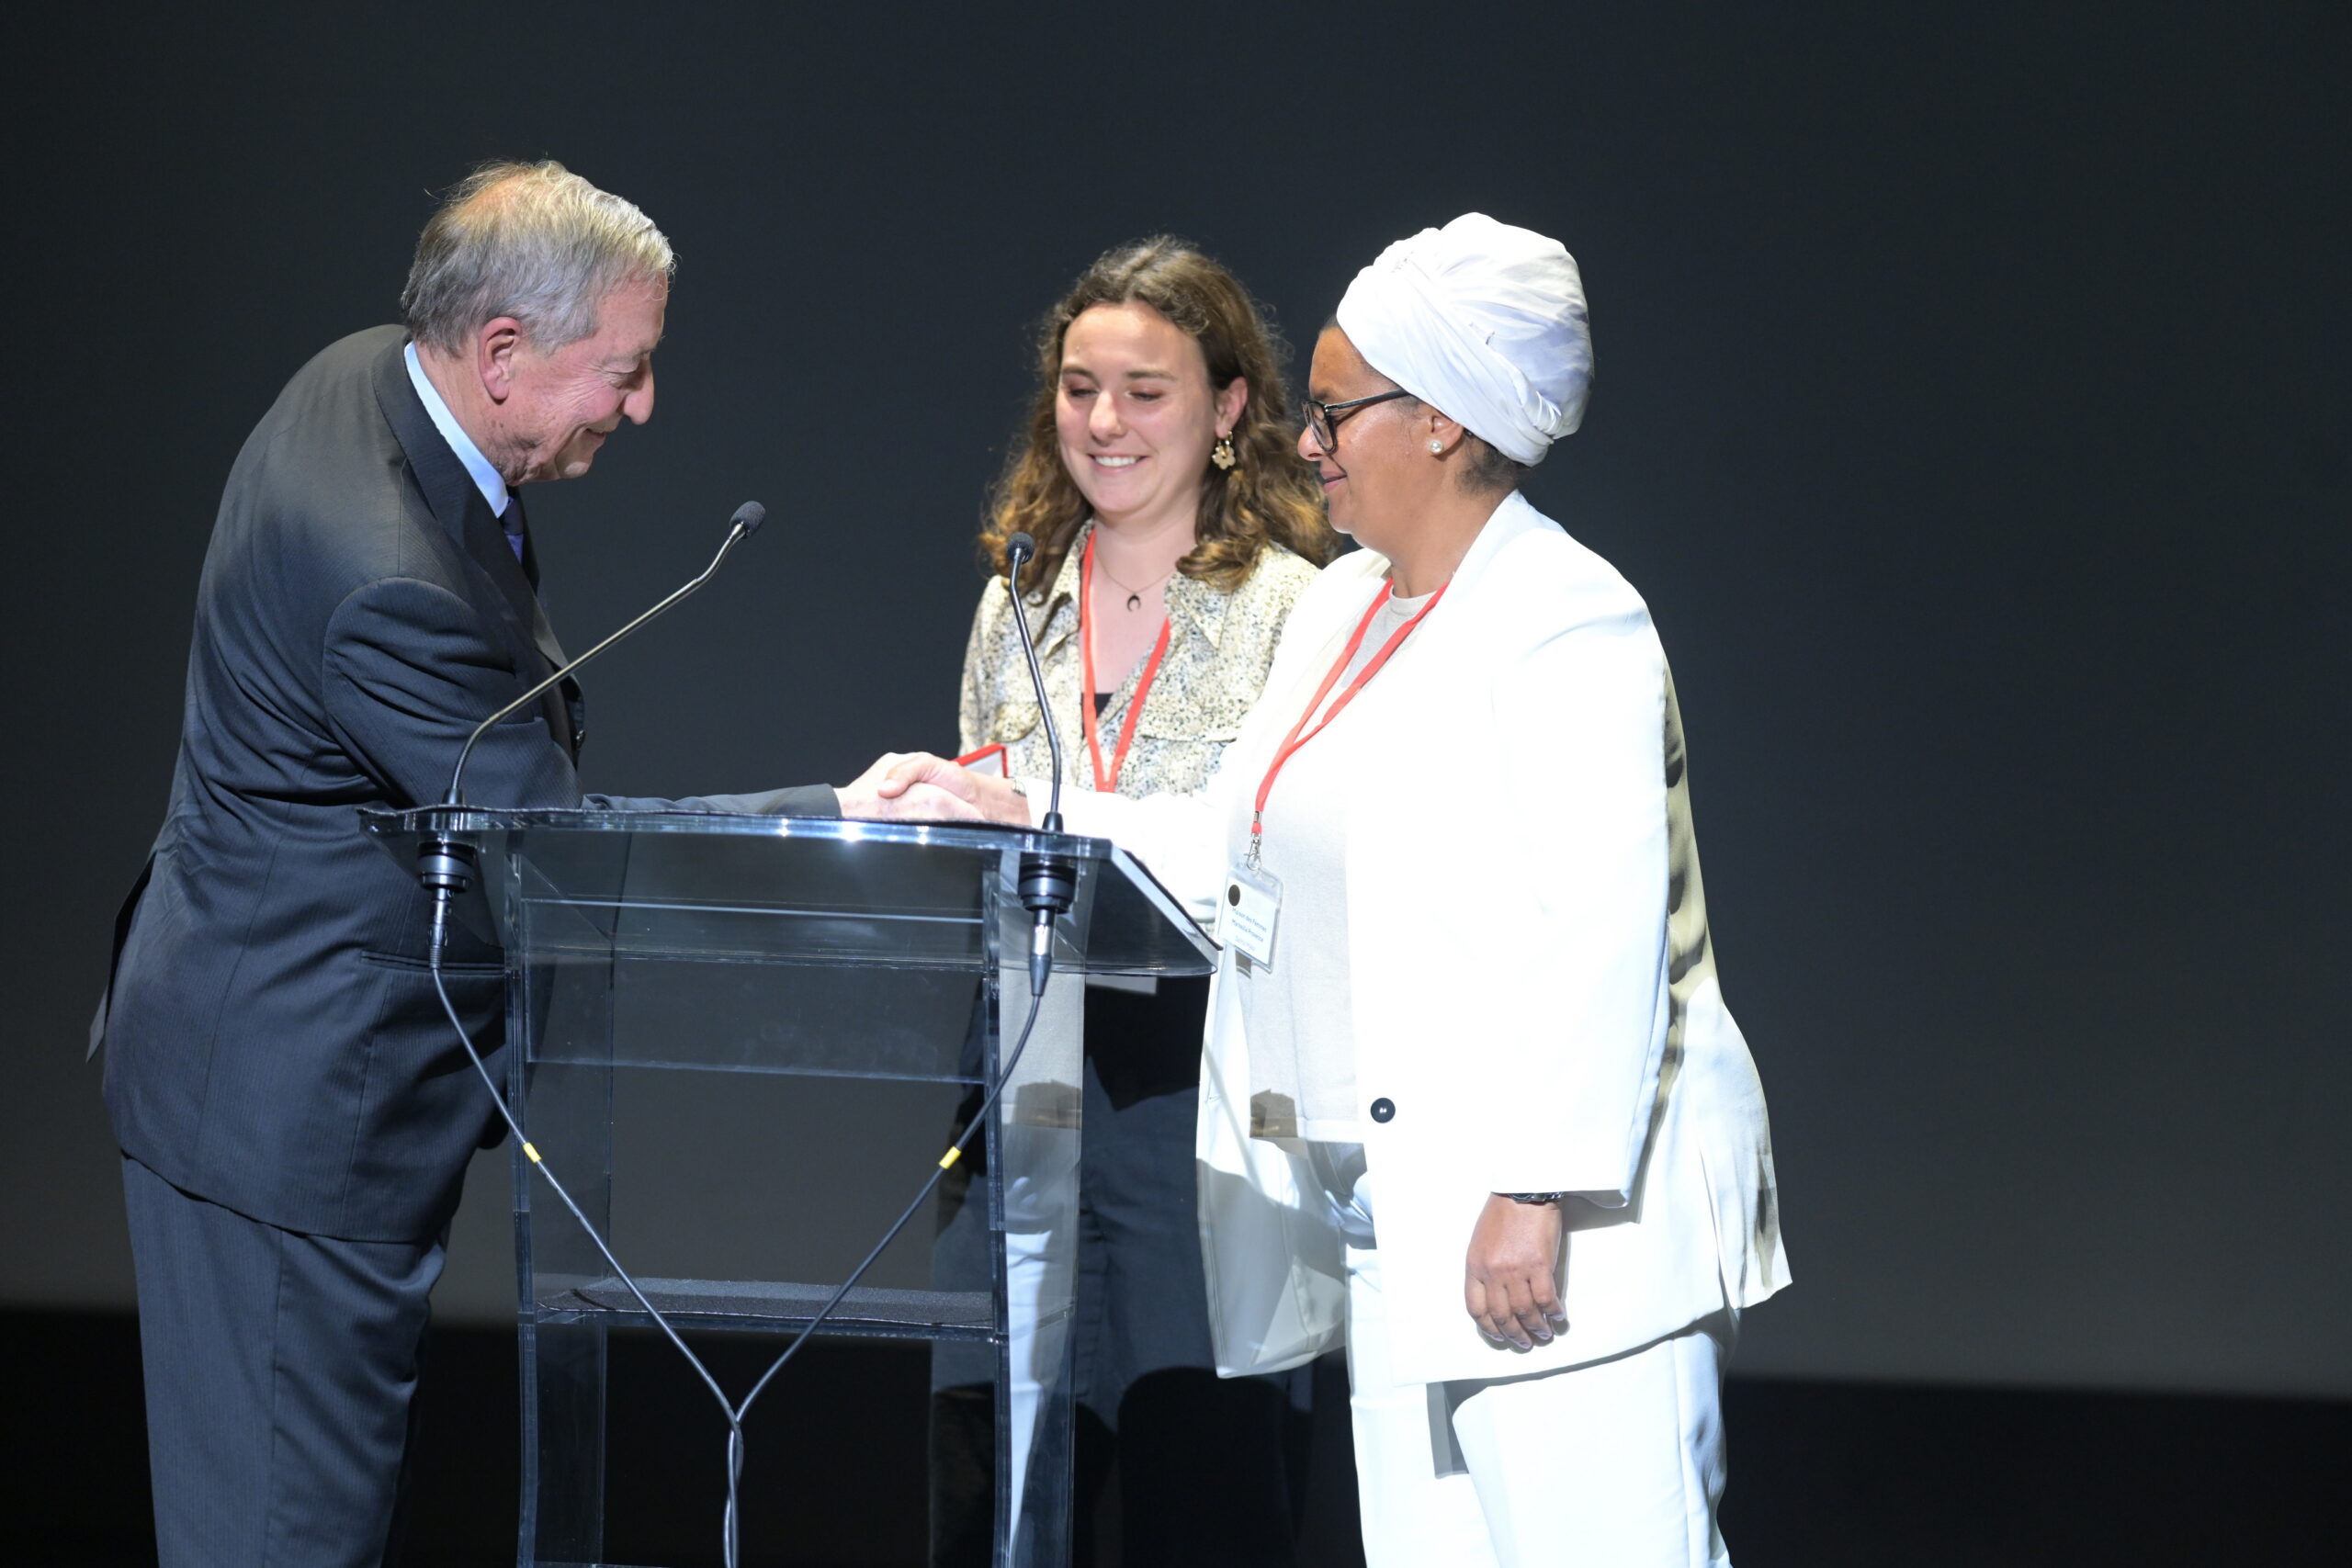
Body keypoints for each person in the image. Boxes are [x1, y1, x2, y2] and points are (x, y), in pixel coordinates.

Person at [884, 214, 1791, 1567]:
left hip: (1551, 1238)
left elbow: (1599, 936)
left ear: (1441, 420)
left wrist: (1534, 1192)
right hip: (1397, 1223)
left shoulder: (1566, 619)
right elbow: (1232, 848)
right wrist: (1030, 810)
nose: (1307, 445)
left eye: (1334, 412)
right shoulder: (1349, 604)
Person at [88, 161, 958, 1567]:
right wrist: (845, 814)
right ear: (500, 352)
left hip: (256, 1049)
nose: (643, 404)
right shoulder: (384, 575)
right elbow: (551, 860)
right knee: (282, 1540)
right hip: (287, 1113)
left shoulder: (368, 377)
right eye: (624, 368)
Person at [932, 238, 1339, 1567]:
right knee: (995, 1502)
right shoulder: (1016, 600)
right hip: (1020, 1084)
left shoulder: (1296, 612)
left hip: (1195, 1094)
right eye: (1079, 388)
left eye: (1146, 391)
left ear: (1229, 407)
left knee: (1204, 1499)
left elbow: (1269, 864)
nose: (1104, 421)